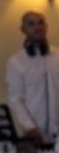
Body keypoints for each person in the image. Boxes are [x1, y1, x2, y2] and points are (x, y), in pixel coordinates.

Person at [6, 11, 59, 145]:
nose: (37, 27)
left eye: (41, 23)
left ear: (46, 27)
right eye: (31, 24)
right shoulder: (16, 62)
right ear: (23, 29)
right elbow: (15, 99)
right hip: (34, 135)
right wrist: (30, 127)